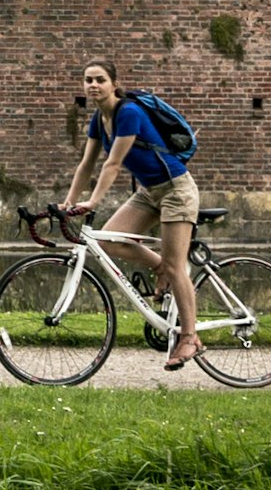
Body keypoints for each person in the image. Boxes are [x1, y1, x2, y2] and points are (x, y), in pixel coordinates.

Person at [58, 60, 203, 370]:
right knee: (111, 242)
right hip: (150, 191)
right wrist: (68, 201)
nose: (93, 85)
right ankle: (160, 265)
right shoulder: (99, 119)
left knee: (178, 267)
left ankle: (189, 337)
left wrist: (93, 202)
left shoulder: (129, 113)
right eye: (88, 80)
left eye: (99, 79)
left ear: (113, 84)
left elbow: (112, 163)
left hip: (176, 189)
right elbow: (87, 165)